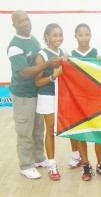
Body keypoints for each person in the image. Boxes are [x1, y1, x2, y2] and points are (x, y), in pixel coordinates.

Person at [7, 10, 60, 179]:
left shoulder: (33, 39)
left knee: (38, 129)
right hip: (23, 95)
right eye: (21, 21)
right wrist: (47, 65)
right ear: (14, 25)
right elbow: (24, 72)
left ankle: (38, 158)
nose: (26, 23)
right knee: (25, 130)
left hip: (37, 93)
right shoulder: (14, 46)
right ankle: (26, 165)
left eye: (27, 20)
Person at [70, 23, 101, 181]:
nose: (83, 38)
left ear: (90, 36)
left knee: (99, 133)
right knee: (81, 134)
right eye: (80, 35)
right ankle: (86, 165)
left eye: (86, 34)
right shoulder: (71, 56)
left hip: (96, 102)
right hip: (78, 102)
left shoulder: (97, 54)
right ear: (75, 36)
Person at [35, 23, 67, 181]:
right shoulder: (41, 55)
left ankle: (75, 158)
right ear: (46, 36)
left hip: (59, 95)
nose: (58, 38)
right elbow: (38, 82)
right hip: (47, 96)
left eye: (60, 34)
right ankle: (52, 165)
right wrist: (53, 76)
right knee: (50, 130)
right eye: (54, 35)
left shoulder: (62, 53)